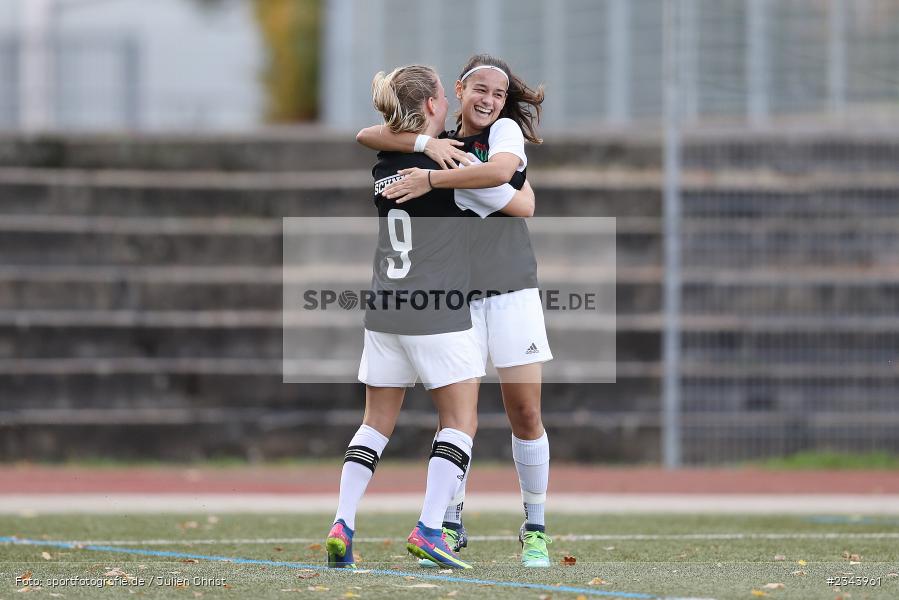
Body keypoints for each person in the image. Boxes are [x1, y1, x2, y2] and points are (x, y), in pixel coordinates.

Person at [325, 64, 534, 571]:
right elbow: (519, 200)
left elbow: (371, 134)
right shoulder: (454, 165)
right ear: (436, 105)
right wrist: (446, 164)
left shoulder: (384, 163)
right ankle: (430, 528)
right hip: (437, 309)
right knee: (461, 422)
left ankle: (342, 523)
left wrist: (421, 146)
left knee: (374, 425)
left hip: (384, 310)